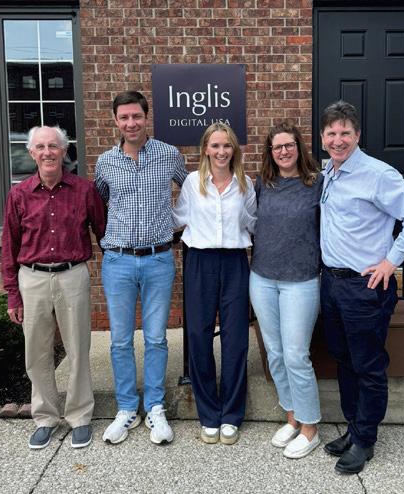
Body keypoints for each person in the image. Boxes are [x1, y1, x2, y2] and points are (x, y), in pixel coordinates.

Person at [319, 100, 404, 474]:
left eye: (345, 133)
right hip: (332, 284)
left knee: (367, 365)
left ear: (358, 135)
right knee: (343, 359)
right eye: (331, 133)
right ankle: (353, 428)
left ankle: (365, 440)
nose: (338, 140)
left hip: (364, 287)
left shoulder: (377, 174)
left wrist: (391, 260)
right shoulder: (328, 172)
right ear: (322, 138)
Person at [1, 125, 106, 450]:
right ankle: (45, 417)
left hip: (72, 275)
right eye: (41, 147)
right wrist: (13, 293)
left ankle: (79, 415)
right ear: (32, 153)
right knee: (37, 351)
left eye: (53, 146)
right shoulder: (18, 195)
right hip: (31, 278)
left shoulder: (84, 190)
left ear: (64, 151)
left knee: (78, 347)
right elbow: (9, 246)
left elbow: (104, 232)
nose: (47, 152)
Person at [95, 90, 187, 445]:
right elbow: (99, 204)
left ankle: (155, 407)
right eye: (124, 117)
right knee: (120, 340)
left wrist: (179, 224)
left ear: (146, 117)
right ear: (115, 121)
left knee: (156, 338)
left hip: (158, 259)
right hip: (118, 260)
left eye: (136, 116)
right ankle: (126, 408)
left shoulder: (169, 154)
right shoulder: (105, 162)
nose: (131, 123)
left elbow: (193, 192)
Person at [173, 122, 256, 445]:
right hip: (200, 262)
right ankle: (208, 414)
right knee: (199, 335)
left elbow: (254, 224)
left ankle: (231, 414)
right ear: (206, 149)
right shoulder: (193, 183)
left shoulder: (245, 184)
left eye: (227, 145)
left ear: (234, 149)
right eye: (216, 146)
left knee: (235, 338)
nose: (221, 152)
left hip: (235, 263)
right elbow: (178, 218)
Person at [249, 122, 323, 459]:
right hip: (263, 278)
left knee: (296, 354)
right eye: (277, 147)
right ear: (270, 151)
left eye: (289, 145)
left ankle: (310, 428)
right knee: (275, 353)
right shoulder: (262, 185)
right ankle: (292, 417)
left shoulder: (316, 183)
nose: (283, 151)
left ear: (299, 147)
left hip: (301, 281)